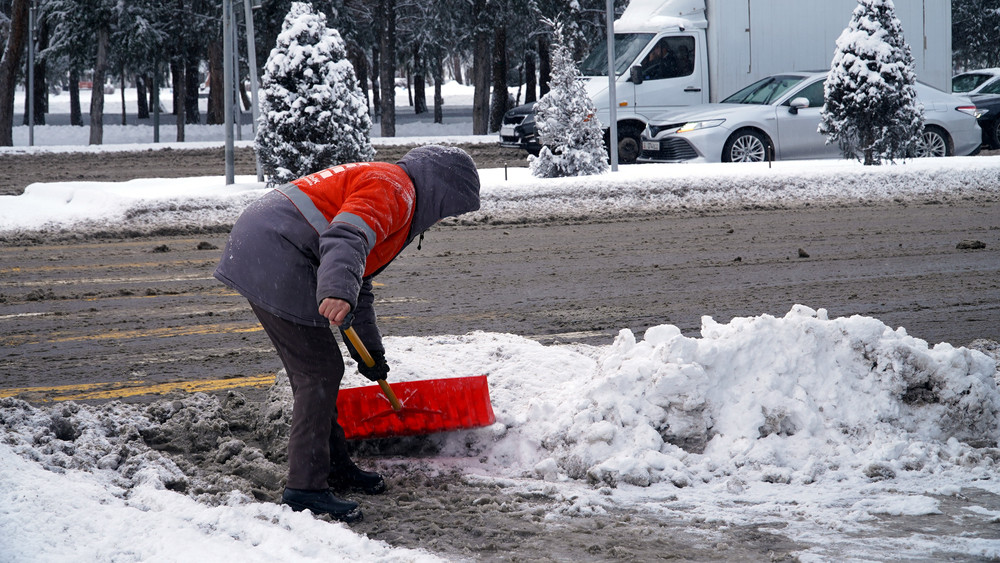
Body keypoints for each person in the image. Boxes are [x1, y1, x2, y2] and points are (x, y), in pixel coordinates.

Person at [214, 145, 481, 523]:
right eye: (448, 210)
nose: (441, 219)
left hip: (268, 243)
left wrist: (370, 354)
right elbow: (346, 237)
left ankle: (333, 466)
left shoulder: (393, 187)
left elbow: (360, 278)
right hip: (277, 250)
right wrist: (338, 290)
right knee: (318, 371)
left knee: (317, 371)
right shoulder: (394, 189)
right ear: (441, 191)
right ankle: (305, 489)